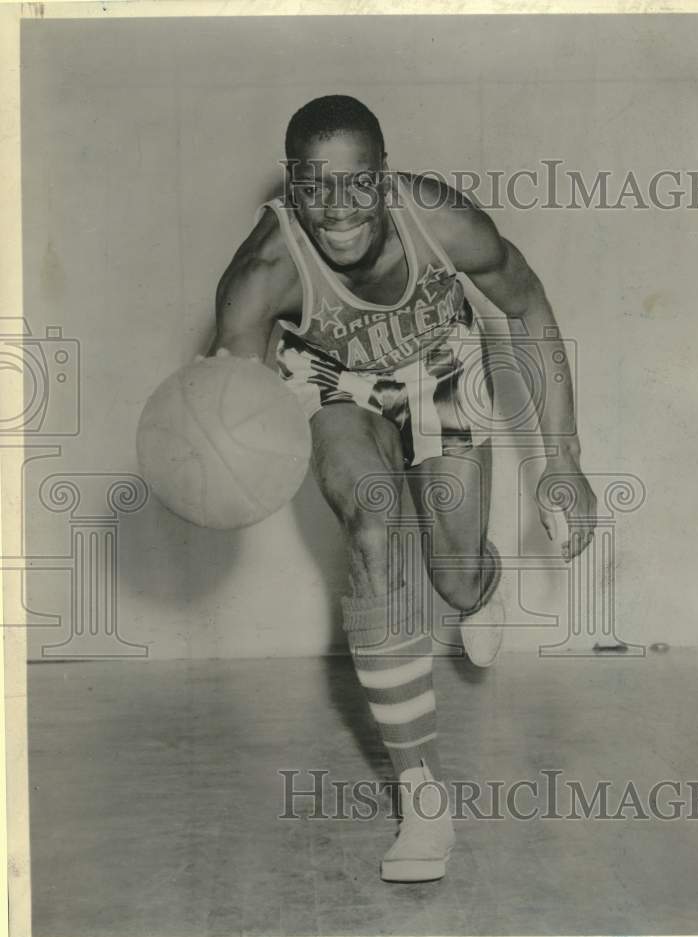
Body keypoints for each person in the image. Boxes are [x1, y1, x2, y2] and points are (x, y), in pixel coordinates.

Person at [210, 95, 597, 882]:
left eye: (358, 182)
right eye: (315, 184)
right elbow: (231, 410)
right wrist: (215, 451)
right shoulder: (262, 275)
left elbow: (528, 306)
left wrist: (562, 461)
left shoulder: (443, 221)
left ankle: (478, 584)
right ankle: (421, 797)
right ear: (291, 183)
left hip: (442, 365)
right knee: (372, 522)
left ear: (385, 178)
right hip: (330, 383)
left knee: (453, 576)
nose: (338, 207)